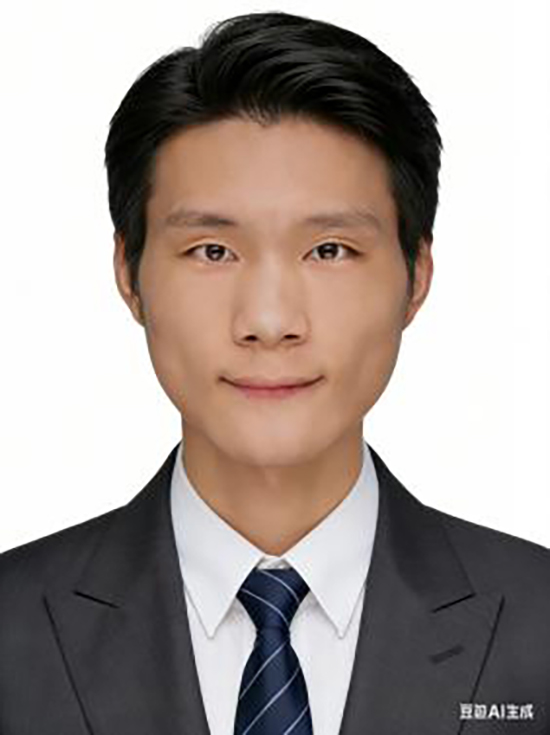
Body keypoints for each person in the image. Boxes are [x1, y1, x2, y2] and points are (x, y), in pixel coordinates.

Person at [1, 10, 549, 735]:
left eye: (329, 250)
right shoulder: (12, 629)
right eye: (212, 251)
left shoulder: (538, 625)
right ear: (129, 274)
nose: (268, 320)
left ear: (416, 275)